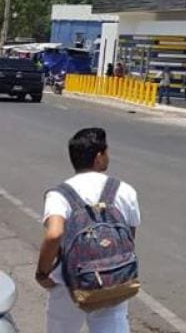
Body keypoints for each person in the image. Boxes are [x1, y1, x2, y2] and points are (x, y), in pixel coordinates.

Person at [36, 127, 140, 333]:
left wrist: (42, 273)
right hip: (113, 282)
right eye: (107, 152)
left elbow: (55, 233)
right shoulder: (124, 190)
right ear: (99, 157)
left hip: (68, 283)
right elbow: (129, 237)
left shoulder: (59, 195)